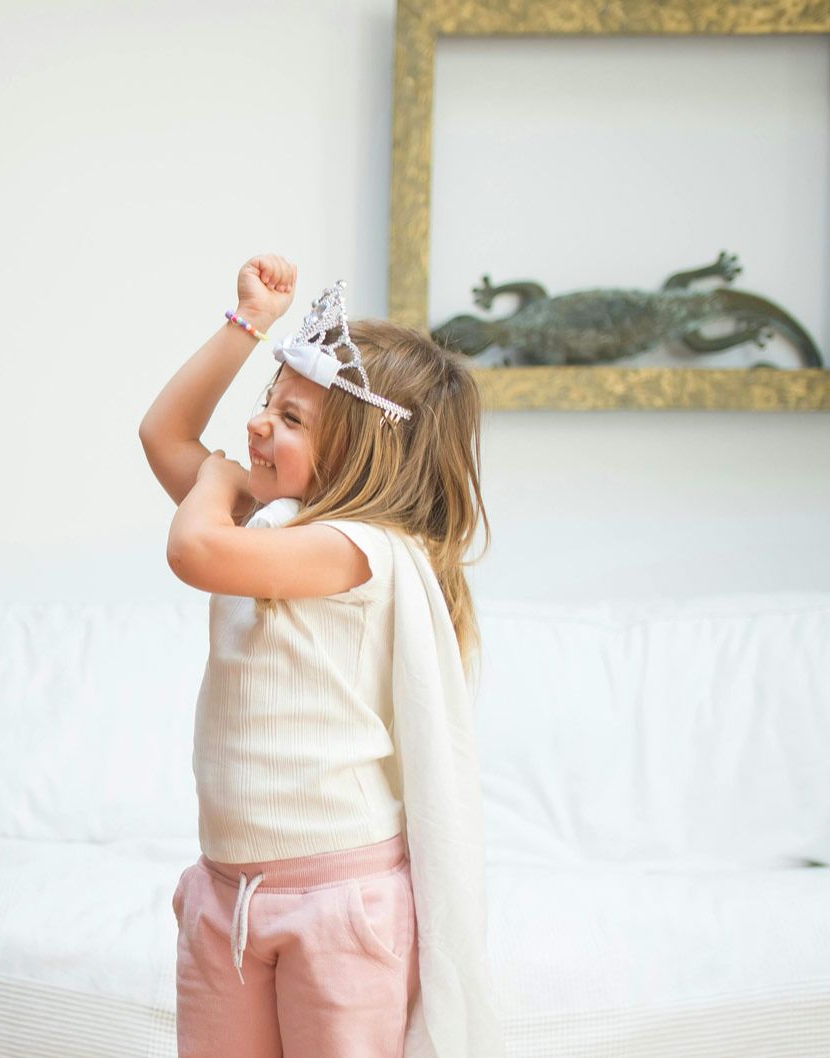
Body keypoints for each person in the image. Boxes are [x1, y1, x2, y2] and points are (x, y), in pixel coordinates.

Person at [139, 255, 503, 1057]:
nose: (259, 424)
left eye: (292, 419)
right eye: (266, 403)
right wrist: (246, 326)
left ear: (360, 453)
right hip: (228, 892)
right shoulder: (271, 535)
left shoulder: (351, 551)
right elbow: (160, 433)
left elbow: (195, 549)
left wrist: (218, 480)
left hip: (336, 901)